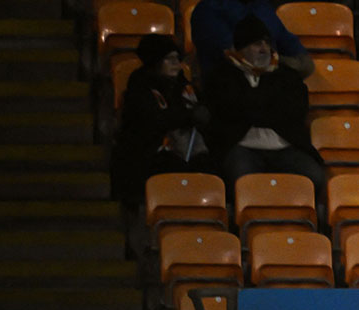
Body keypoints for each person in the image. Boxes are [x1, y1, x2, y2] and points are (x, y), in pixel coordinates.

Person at [204, 14, 326, 197]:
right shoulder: (222, 75)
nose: (264, 49)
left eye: (267, 43)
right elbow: (226, 111)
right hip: (242, 146)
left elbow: (294, 111)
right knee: (241, 181)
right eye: (257, 44)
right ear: (242, 48)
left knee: (314, 176)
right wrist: (267, 106)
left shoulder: (286, 75)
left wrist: (251, 106)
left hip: (284, 146)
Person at [110, 34, 215, 204]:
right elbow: (153, 120)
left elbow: (202, 110)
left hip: (186, 148)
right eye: (169, 59)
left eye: (177, 59)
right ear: (155, 61)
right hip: (150, 150)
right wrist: (190, 116)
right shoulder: (140, 86)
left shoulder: (185, 86)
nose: (176, 63)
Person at [190, 0, 314, 84]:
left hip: (272, 95)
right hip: (230, 98)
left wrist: (278, 63)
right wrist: (286, 64)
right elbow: (243, 60)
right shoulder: (208, 10)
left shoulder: (263, 7)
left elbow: (305, 63)